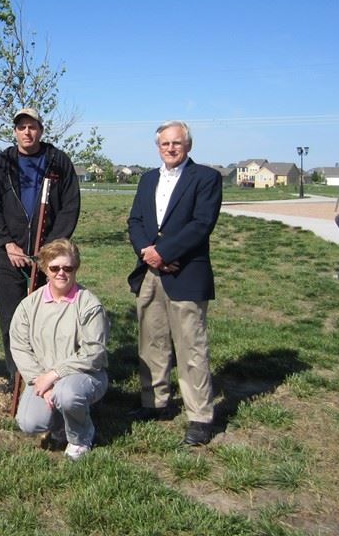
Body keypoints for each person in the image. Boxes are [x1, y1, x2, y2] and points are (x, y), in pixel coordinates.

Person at [127, 120, 222, 446]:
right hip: (151, 274)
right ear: (158, 147)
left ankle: (200, 417)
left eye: (177, 143)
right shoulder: (148, 179)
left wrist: (164, 252)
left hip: (186, 273)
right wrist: (148, 253)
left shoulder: (206, 178)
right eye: (165, 143)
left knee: (191, 347)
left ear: (188, 145)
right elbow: (135, 220)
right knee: (152, 342)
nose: (171, 148)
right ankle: (155, 402)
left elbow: (201, 224)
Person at [0, 108, 81, 391]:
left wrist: (50, 248)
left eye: (32, 126)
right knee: (12, 319)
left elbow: (70, 206)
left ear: (41, 129)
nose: (27, 132)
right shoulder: (1, 164)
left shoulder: (57, 162)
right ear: (14, 131)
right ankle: (16, 378)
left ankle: (51, 375)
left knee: (49, 318)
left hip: (48, 258)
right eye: (22, 127)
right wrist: (7, 243)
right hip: (9, 256)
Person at [10, 239, 109, 460]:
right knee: (28, 422)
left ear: (76, 268)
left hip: (83, 376)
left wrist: (55, 374)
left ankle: (81, 436)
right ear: (45, 269)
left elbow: (94, 352)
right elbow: (19, 346)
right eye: (55, 268)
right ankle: (62, 422)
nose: (61, 273)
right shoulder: (29, 305)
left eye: (68, 268)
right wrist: (40, 382)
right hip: (43, 379)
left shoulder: (89, 304)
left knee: (67, 394)